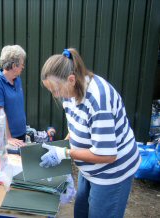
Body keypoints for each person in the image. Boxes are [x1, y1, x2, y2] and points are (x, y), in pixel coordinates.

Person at [39, 48, 141, 218]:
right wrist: (60, 148)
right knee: (81, 213)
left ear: (71, 79)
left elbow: (107, 155)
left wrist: (64, 153)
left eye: (55, 90)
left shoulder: (98, 101)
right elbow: (75, 128)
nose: (55, 95)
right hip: (89, 168)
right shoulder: (69, 94)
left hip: (112, 172)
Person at [0, 45, 26, 147]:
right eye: (22, 64)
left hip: (21, 134)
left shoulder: (18, 80)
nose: (23, 67)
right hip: (6, 138)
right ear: (14, 66)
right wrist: (8, 137)